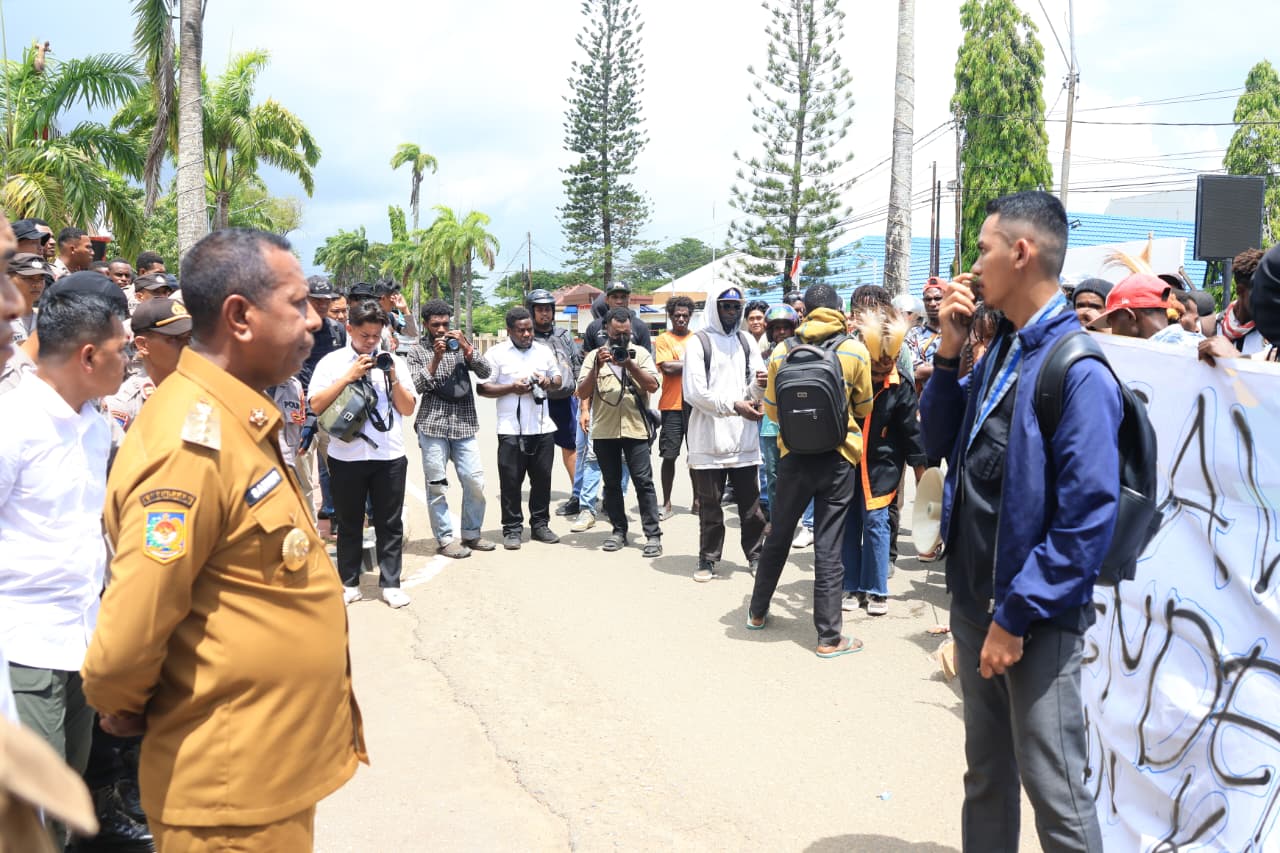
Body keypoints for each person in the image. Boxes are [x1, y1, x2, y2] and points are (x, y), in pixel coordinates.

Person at [81, 228, 365, 851]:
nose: (316, 321)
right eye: (297, 304)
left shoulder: (240, 416)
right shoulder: (192, 441)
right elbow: (127, 639)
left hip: (268, 776)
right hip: (228, 799)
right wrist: (121, 702)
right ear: (239, 316)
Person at [920, 190, 1117, 852]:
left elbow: (1086, 518)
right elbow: (938, 441)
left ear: (1022, 251)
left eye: (983, 248)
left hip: (1031, 619)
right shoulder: (1001, 347)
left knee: (1055, 792)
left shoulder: (1077, 367)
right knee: (988, 776)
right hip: (977, 603)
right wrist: (949, 354)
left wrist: (1016, 615)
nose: (973, 266)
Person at [2, 283, 129, 848]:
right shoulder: (14, 424)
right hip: (22, 649)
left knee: (66, 794)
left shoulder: (94, 424)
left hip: (80, 642)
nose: (130, 359)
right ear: (88, 356)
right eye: (123, 348)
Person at [747, 283, 874, 658]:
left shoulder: (782, 352)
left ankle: (756, 612)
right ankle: (828, 637)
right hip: (838, 459)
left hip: (792, 458)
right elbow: (864, 407)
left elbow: (771, 412)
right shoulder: (854, 350)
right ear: (837, 310)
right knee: (829, 546)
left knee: (780, 534)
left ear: (804, 312)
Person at [310, 299, 418, 607]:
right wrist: (348, 376)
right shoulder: (331, 363)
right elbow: (316, 405)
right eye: (364, 336)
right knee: (348, 521)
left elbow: (408, 409)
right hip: (347, 456)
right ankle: (349, 582)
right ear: (349, 329)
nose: (370, 342)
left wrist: (393, 376)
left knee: (389, 521)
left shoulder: (393, 361)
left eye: (375, 336)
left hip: (389, 456)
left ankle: (391, 583)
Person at [841, 304, 927, 615]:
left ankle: (877, 590)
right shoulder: (848, 376)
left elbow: (912, 433)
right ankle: (850, 585)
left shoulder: (902, 383)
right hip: (848, 464)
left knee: (876, 523)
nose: (881, 371)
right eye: (876, 367)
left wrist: (922, 474)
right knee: (849, 525)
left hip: (884, 466)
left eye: (887, 365)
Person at [682, 286, 768, 582]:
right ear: (714, 308)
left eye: (735, 306)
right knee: (710, 506)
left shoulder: (746, 341)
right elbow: (695, 393)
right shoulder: (698, 343)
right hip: (708, 438)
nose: (732, 312)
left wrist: (760, 386)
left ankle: (756, 555)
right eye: (726, 306)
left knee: (751, 507)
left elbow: (753, 388)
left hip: (743, 438)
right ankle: (707, 559)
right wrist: (733, 405)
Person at [406, 299, 494, 559]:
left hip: (464, 423)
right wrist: (436, 357)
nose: (442, 329)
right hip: (432, 424)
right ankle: (445, 539)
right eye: (436, 325)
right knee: (436, 486)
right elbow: (414, 386)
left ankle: (471, 532)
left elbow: (486, 371)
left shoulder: (460, 345)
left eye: (445, 324)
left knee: (474, 480)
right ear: (425, 325)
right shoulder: (418, 351)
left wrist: (467, 347)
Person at [576, 307, 663, 557]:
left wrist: (630, 365)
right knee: (611, 484)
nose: (621, 339)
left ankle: (653, 535)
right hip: (604, 430)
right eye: (616, 334)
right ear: (606, 331)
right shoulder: (594, 355)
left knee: (643, 483)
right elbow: (582, 393)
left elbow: (652, 386)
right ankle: (618, 531)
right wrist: (596, 368)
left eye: (625, 334)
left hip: (636, 430)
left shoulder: (642, 354)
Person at [479, 306, 562, 550]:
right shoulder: (496, 353)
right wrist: (511, 388)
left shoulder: (543, 351)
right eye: (521, 330)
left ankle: (540, 525)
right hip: (510, 429)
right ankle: (512, 529)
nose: (526, 335)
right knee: (511, 481)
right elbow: (483, 388)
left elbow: (558, 380)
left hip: (542, 426)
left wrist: (547, 382)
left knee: (542, 480)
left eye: (529, 330)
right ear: (509, 330)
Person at [296, 276, 347, 522]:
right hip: (299, 411)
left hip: (331, 410)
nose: (322, 305)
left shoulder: (337, 330)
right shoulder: (293, 328)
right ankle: (310, 531)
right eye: (316, 300)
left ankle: (340, 523)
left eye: (326, 300)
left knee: (340, 471)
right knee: (303, 477)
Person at [527, 289, 583, 512]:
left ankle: (577, 495)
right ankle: (539, 498)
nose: (545, 314)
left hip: (565, 398)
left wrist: (580, 388)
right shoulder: (526, 336)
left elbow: (576, 361)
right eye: (540, 309)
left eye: (548, 309)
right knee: (539, 450)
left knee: (572, 447)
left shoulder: (562, 335)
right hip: (538, 401)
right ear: (531, 312)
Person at [102, 297, 192, 432]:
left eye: (189, 337)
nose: (186, 346)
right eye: (174, 339)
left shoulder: (201, 387)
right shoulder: (124, 404)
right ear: (143, 345)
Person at [653, 296, 695, 520]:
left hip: (696, 406)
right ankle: (667, 503)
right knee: (669, 456)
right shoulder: (663, 339)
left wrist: (683, 365)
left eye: (685, 315)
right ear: (670, 316)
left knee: (697, 457)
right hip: (671, 406)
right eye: (677, 315)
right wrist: (695, 363)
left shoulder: (698, 339)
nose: (681, 319)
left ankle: (698, 502)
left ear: (690, 317)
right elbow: (667, 367)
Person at [758, 305, 798, 522]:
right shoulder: (763, 357)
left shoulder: (802, 353)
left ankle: (797, 520)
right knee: (772, 475)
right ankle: (776, 519)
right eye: (776, 328)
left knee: (796, 475)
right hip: (770, 423)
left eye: (785, 327)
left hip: (796, 423)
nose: (781, 332)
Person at [1094, 273, 1202, 348]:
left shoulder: (1159, 355)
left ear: (1129, 316)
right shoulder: (1199, 347)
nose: (1112, 332)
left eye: (1112, 323)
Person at [1216, 247, 1268, 355]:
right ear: (1241, 290)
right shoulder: (1213, 327)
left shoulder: (1272, 335)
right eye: (1263, 292)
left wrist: (1233, 356)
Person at [581, 282, 653, 354]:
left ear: (629, 299)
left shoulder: (640, 327)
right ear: (606, 299)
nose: (619, 301)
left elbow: (646, 359)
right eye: (614, 297)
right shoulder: (594, 327)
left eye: (623, 297)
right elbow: (588, 357)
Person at [905, 277, 944, 392]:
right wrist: (950, 368)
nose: (932, 304)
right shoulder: (913, 334)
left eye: (937, 298)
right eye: (928, 299)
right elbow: (914, 372)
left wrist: (929, 368)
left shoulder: (959, 332)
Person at [7, 253, 49, 346]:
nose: (37, 285)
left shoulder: (46, 319)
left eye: (41, 278)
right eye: (29, 278)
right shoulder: (3, 320)